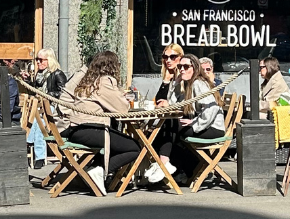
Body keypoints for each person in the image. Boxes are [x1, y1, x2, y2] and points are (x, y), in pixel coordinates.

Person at [61, 50, 141, 196]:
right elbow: (122, 108)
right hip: (92, 130)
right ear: (112, 66)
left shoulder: (88, 79)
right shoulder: (104, 81)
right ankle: (100, 170)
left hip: (77, 129)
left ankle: (93, 170)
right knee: (134, 147)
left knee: (116, 141)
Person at [147, 52, 225, 185]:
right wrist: (175, 83)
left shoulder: (198, 84)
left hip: (212, 128)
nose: (182, 69)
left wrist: (195, 123)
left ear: (195, 68)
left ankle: (164, 163)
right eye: (180, 67)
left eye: (186, 66)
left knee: (169, 126)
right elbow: (174, 105)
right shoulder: (190, 84)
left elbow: (211, 108)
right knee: (164, 128)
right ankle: (169, 165)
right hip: (203, 125)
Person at [258, 55, 290, 120]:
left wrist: (253, 106)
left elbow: (271, 104)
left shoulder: (277, 83)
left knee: (251, 115)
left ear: (269, 67)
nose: (259, 70)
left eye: (261, 67)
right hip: (269, 113)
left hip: (277, 116)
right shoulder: (268, 81)